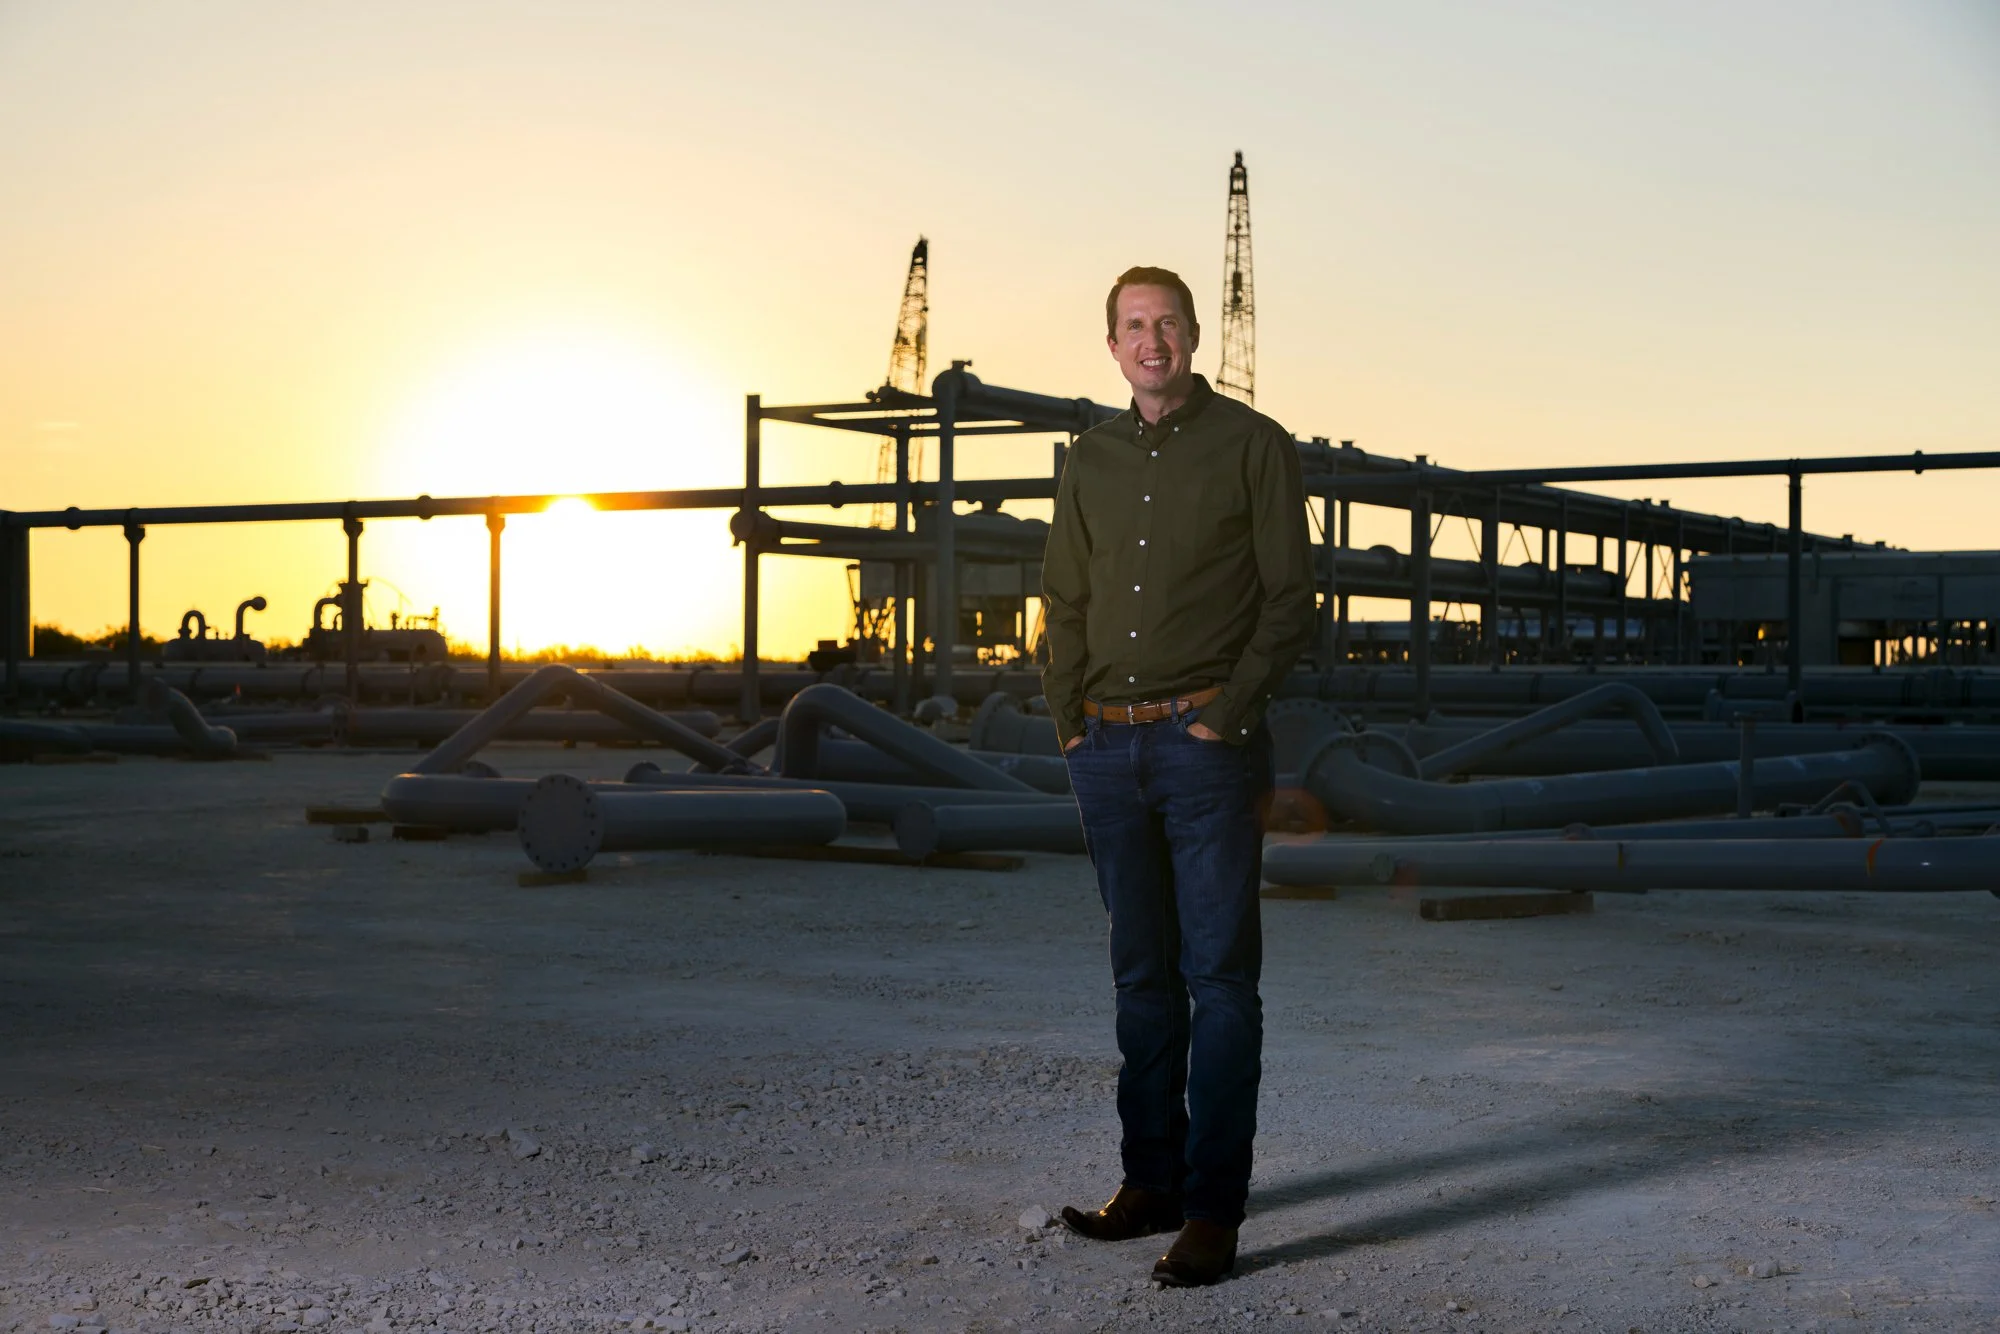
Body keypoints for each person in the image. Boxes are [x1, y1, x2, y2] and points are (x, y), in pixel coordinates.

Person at [1041, 264, 1317, 1286]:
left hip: (1204, 746)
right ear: (1110, 346)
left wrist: (1223, 716)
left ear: (1193, 334)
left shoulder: (1253, 446)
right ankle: (1147, 1179)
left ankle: (1210, 1208)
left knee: (1219, 981)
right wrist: (1069, 721)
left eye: (1165, 322)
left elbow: (1291, 599)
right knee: (1140, 977)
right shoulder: (1088, 460)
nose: (1149, 340)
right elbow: (1060, 600)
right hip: (1105, 749)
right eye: (1130, 326)